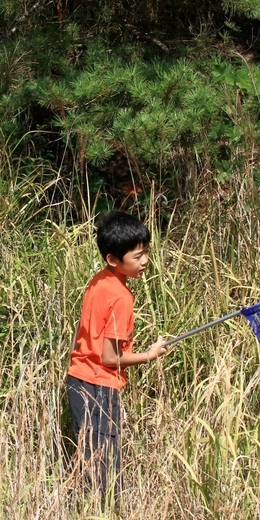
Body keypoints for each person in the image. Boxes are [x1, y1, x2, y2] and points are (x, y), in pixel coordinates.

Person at [65, 211, 167, 504]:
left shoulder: (99, 281)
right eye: (137, 256)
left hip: (78, 378)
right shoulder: (122, 297)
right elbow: (110, 358)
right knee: (105, 465)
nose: (145, 261)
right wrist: (149, 355)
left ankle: (89, 513)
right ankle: (107, 515)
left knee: (91, 457)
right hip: (99, 385)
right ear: (113, 259)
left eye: (146, 252)